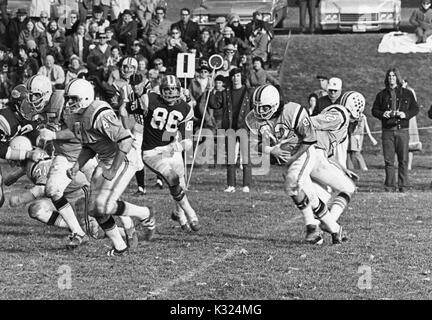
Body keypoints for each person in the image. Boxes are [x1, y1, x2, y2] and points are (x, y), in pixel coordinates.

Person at [63, 78, 156, 256]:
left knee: (104, 205)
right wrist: (77, 166)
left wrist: (113, 170)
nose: (69, 103)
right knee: (94, 209)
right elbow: (89, 146)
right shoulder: (78, 117)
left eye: (73, 99)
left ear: (84, 97)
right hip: (106, 158)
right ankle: (120, 247)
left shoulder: (99, 113)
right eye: (69, 99)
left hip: (124, 158)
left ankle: (145, 213)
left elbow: (126, 140)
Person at [245, 84, 345, 244]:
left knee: (292, 182)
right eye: (256, 107)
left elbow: (310, 138)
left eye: (264, 108)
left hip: (304, 151)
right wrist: (272, 151)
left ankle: (312, 227)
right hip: (288, 154)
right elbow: (253, 143)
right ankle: (335, 229)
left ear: (275, 104)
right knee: (310, 196)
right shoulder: (254, 119)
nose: (259, 112)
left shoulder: (292, 111)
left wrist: (292, 157)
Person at [127, 74, 200, 231]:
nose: (171, 92)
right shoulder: (150, 99)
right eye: (167, 89)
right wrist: (137, 102)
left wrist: (180, 145)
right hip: (151, 152)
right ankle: (191, 214)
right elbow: (129, 108)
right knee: (172, 178)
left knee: (181, 184)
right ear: (161, 90)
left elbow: (187, 139)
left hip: (171, 148)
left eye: (174, 89)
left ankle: (179, 215)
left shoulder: (185, 109)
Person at [372, 68, 419, 192]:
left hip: (402, 130)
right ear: (387, 78)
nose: (391, 78)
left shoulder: (407, 93)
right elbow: (374, 110)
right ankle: (390, 186)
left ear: (397, 78)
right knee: (389, 160)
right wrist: (383, 114)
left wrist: (406, 114)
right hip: (387, 131)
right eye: (389, 76)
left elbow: (415, 108)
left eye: (393, 76)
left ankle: (403, 186)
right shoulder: (381, 95)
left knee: (403, 160)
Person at [211, 68, 253, 193]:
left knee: (245, 157)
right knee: (230, 157)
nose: (236, 78)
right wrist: (211, 92)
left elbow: (253, 109)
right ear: (231, 78)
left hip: (244, 127)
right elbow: (215, 105)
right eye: (234, 76)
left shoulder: (248, 91)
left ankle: (246, 185)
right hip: (230, 127)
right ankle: (231, 185)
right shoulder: (225, 92)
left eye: (238, 76)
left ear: (241, 77)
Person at [402, 79, 422, 170]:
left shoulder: (410, 91)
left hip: (409, 119)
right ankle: (402, 164)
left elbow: (413, 105)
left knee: (410, 145)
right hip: (400, 119)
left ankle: (408, 165)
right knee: (401, 145)